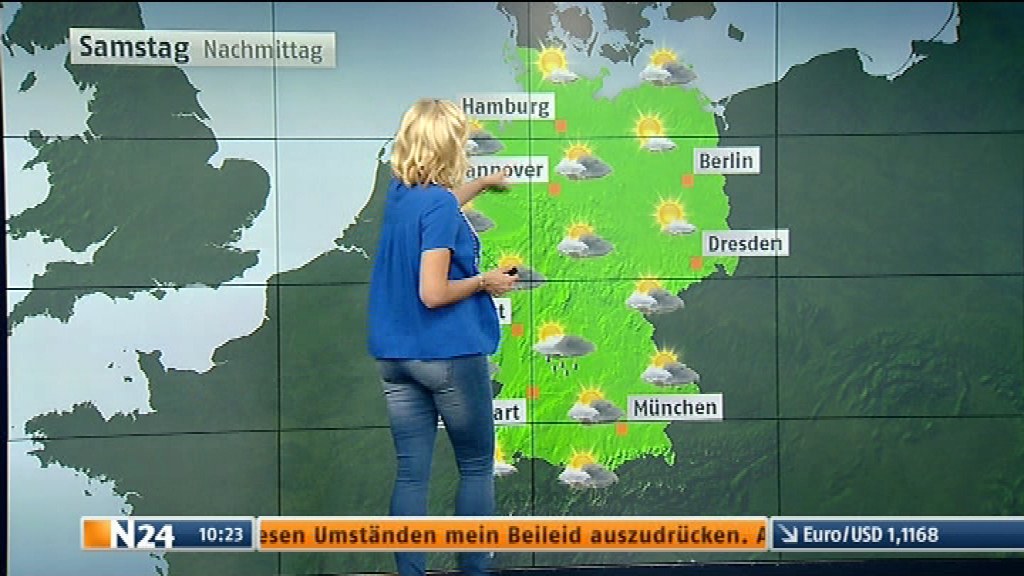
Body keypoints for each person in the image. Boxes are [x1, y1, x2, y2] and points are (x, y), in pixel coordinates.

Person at [367, 98, 518, 576]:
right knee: (475, 466)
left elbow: (440, 206)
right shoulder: (436, 205)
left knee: (411, 474)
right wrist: (485, 282)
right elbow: (433, 293)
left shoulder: (400, 193)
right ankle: (473, 569)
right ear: (449, 146)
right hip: (447, 352)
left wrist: (482, 184)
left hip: (397, 356)